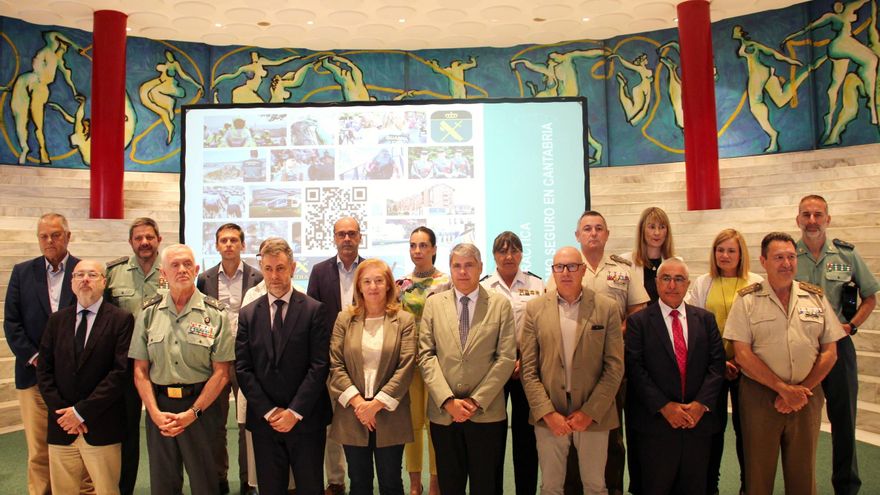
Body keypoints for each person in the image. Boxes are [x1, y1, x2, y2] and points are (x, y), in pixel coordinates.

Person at [725, 232, 845, 495]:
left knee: (804, 477)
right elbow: (743, 354)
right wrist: (783, 389)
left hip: (807, 396)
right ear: (763, 261)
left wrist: (800, 391)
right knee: (758, 476)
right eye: (779, 257)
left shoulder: (815, 297)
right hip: (760, 397)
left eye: (791, 257)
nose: (787, 263)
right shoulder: (747, 300)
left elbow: (830, 352)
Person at [550, 211, 648, 495]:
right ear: (577, 235)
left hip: (609, 369)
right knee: (570, 437)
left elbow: (638, 312)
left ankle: (612, 489)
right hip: (568, 371)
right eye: (587, 229)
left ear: (607, 234)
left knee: (610, 437)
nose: (593, 233)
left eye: (598, 229)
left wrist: (611, 334)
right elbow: (549, 313)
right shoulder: (563, 269)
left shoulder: (624, 270)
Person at [128, 244, 234, 495]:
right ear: (163, 274)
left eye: (187, 264)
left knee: (205, 483)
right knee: (163, 484)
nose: (182, 269)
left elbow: (221, 373)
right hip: (160, 408)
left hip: (201, 408)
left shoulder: (215, 313)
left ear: (196, 269)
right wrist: (153, 412)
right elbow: (140, 370)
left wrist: (193, 413)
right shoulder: (148, 313)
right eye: (174, 265)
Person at [519, 246, 623, 495]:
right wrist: (546, 412)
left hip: (593, 415)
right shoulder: (534, 309)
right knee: (551, 486)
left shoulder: (606, 308)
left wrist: (590, 412)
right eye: (559, 267)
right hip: (550, 414)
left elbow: (614, 367)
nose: (566, 272)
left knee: (595, 486)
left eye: (572, 266)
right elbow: (529, 370)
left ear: (583, 270)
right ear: (553, 272)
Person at [795, 194, 879, 495]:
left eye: (818, 214)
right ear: (798, 220)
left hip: (840, 348)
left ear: (827, 219)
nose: (812, 221)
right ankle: (802, 484)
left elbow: (870, 296)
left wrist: (852, 325)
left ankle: (846, 487)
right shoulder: (789, 256)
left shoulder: (846, 255)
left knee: (844, 421)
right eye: (806, 214)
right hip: (802, 349)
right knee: (799, 421)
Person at [418, 243, 516, 495]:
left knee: (486, 485)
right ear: (450, 269)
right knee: (450, 484)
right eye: (457, 266)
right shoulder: (434, 304)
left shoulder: (499, 304)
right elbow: (426, 355)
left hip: (485, 412)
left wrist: (475, 400)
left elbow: (505, 358)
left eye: (469, 265)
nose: (463, 272)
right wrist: (448, 400)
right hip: (444, 413)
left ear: (480, 267)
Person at [237, 238, 332, 495]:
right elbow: (243, 368)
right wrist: (269, 411)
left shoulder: (314, 310)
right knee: (270, 489)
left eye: (280, 268)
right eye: (268, 269)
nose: (274, 275)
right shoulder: (248, 314)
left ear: (291, 267)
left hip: (306, 420)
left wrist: (294, 412)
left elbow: (319, 366)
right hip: (265, 422)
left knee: (310, 487)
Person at [625, 258, 725, 495]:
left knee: (695, 486)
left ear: (688, 284)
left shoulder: (705, 319)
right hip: (656, 425)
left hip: (697, 424)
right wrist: (664, 407)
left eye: (679, 279)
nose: (672, 285)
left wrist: (700, 405)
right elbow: (635, 368)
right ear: (657, 283)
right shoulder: (639, 322)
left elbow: (717, 364)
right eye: (666, 278)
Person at [36, 260, 134, 495]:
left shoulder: (121, 319)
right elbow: (44, 371)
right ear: (71, 283)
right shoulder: (57, 320)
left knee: (106, 489)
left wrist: (81, 412)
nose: (85, 279)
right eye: (79, 275)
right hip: (62, 426)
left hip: (101, 425)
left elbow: (119, 373)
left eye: (92, 274)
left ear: (104, 281)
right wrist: (64, 414)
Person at [4, 213, 81, 495]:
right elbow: (12, 323)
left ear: (68, 236)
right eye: (44, 236)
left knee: (74, 444)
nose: (50, 241)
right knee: (38, 448)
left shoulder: (83, 270)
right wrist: (37, 358)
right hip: (32, 376)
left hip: (73, 377)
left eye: (56, 235)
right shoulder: (22, 272)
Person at [685, 228, 763, 495]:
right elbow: (696, 329)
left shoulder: (756, 283)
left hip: (749, 368)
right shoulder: (703, 283)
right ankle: (710, 488)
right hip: (712, 369)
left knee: (748, 434)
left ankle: (748, 487)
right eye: (720, 250)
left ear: (741, 254)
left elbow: (761, 329)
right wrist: (720, 363)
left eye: (731, 250)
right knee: (711, 433)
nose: (725, 255)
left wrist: (742, 361)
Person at [329, 259, 416, 495]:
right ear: (359, 287)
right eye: (367, 281)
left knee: (391, 482)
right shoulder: (344, 319)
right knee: (358, 482)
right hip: (352, 412)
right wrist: (360, 404)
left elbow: (406, 366)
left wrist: (376, 405)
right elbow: (335, 364)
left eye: (379, 280)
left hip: (389, 411)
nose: (373, 286)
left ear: (389, 285)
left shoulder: (404, 321)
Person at [197, 223, 264, 495]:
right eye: (223, 240)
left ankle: (248, 481)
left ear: (242, 245)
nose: (228, 245)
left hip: (246, 358)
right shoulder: (204, 279)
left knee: (246, 423)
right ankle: (219, 478)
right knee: (215, 423)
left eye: (234, 240)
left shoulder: (257, 277)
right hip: (216, 360)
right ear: (216, 246)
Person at [105, 217, 165, 495]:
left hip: (165, 365)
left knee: (167, 430)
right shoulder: (113, 273)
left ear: (158, 240)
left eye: (149, 237)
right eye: (139, 238)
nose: (144, 242)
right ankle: (124, 488)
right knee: (127, 430)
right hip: (126, 366)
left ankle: (167, 487)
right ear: (131, 242)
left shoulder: (173, 269)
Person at [480, 231, 544, 495]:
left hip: (526, 366)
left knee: (526, 436)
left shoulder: (537, 284)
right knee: (493, 437)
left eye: (514, 250)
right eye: (502, 251)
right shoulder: (483, 286)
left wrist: (523, 360)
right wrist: (503, 361)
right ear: (494, 255)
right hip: (492, 367)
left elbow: (542, 328)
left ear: (521, 254)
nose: (509, 256)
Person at [307, 216, 365, 495]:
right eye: (341, 234)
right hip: (331, 361)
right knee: (333, 425)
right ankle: (336, 480)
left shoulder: (371, 269)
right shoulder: (319, 271)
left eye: (351, 234)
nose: (346, 239)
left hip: (367, 359)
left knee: (363, 419)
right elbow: (310, 318)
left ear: (360, 237)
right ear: (334, 238)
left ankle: (362, 479)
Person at [397, 227, 450, 495]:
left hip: (439, 362)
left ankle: (436, 484)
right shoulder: (400, 284)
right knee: (413, 424)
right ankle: (415, 484)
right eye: (413, 245)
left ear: (434, 249)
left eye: (423, 245)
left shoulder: (448, 282)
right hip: (410, 364)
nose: (417, 251)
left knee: (436, 424)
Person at [621, 206, 677, 305]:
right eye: (652, 227)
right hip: (637, 319)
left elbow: (682, 299)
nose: (657, 233)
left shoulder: (676, 263)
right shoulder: (625, 262)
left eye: (662, 227)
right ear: (642, 230)